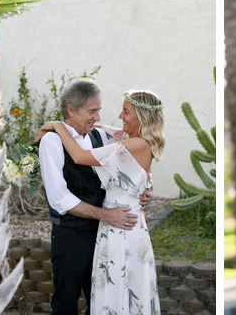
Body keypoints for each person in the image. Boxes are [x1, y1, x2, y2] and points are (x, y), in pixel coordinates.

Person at [37, 83, 163, 314]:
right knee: (67, 300)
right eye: (92, 111)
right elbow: (58, 198)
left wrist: (143, 189)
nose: (98, 116)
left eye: (98, 110)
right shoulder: (52, 142)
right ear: (71, 110)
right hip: (74, 233)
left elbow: (89, 157)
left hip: (112, 229)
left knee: (105, 296)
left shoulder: (102, 138)